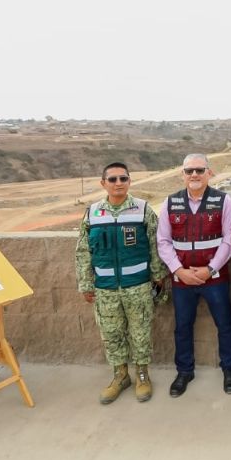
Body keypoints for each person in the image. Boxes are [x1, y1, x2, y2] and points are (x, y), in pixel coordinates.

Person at [75, 162, 169, 404]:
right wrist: (86, 283)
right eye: (113, 179)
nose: (118, 183)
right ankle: (120, 375)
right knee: (112, 334)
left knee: (140, 333)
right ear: (103, 183)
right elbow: (83, 251)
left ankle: (141, 375)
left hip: (137, 286)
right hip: (105, 289)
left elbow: (155, 245)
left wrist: (159, 277)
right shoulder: (93, 213)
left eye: (123, 179)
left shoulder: (142, 210)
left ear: (129, 181)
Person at [157, 154, 231, 397]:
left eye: (199, 170)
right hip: (182, 279)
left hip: (215, 277)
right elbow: (162, 241)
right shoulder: (169, 203)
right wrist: (178, 270)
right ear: (182, 174)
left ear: (209, 173)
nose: (194, 175)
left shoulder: (224, 201)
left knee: (224, 324)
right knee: (182, 326)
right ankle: (184, 371)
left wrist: (209, 269)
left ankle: (229, 369)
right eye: (189, 170)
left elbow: (229, 240)